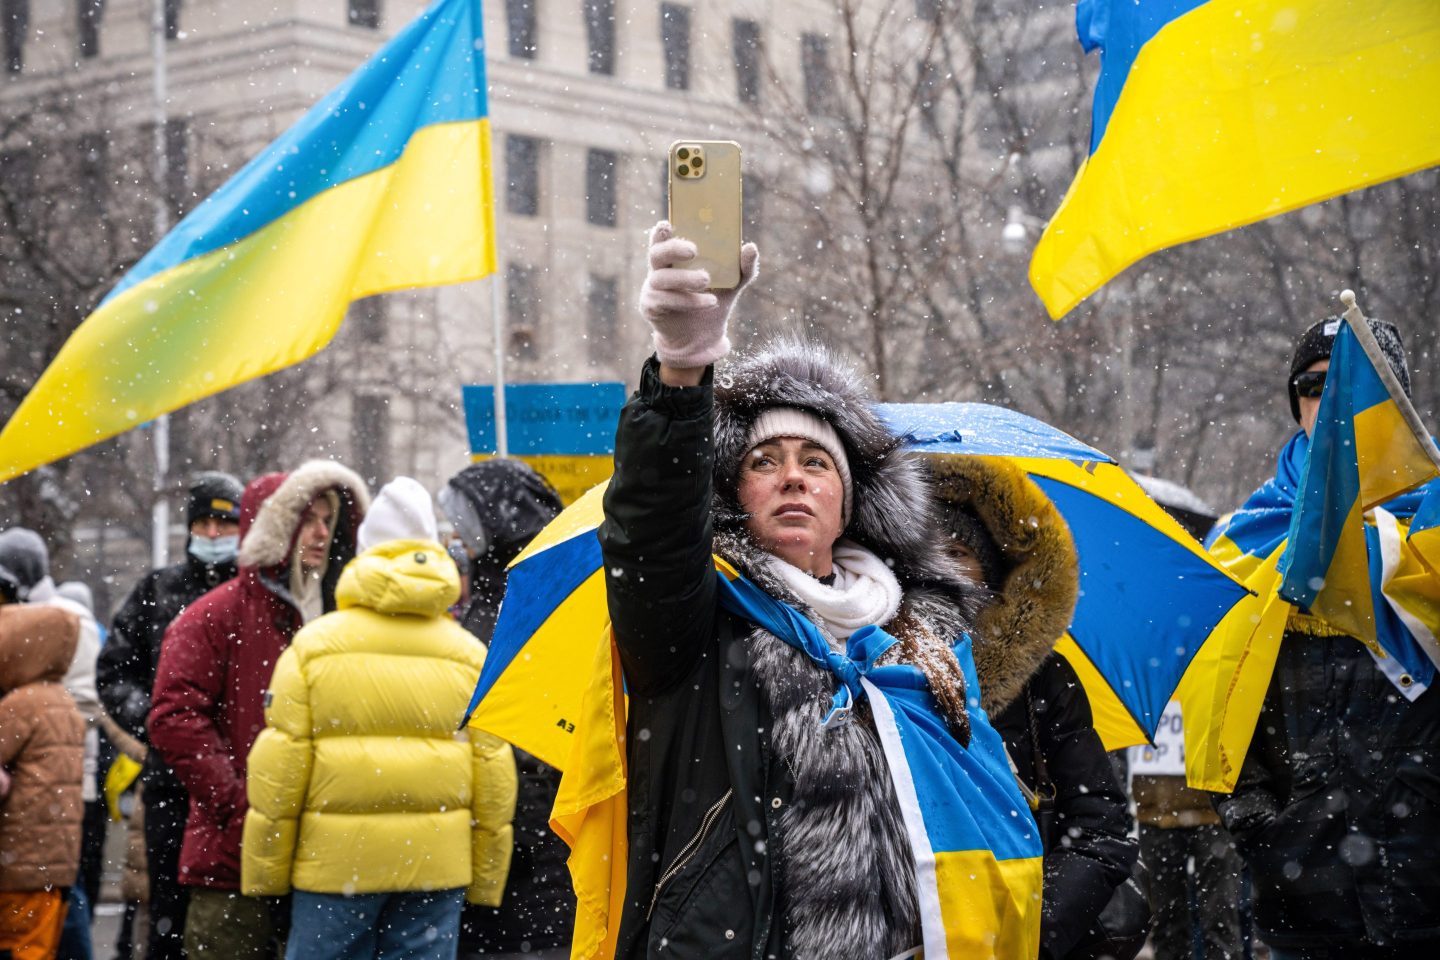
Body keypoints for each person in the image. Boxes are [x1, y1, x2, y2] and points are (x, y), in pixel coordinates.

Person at [597, 222, 1034, 958]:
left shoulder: (924, 640)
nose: (793, 475)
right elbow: (651, 531)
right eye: (765, 461)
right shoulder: (699, 621)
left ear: (850, 499)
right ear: (736, 492)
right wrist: (680, 375)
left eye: (815, 462)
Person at [1211, 316, 1440, 959]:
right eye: (1314, 385)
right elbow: (1210, 699)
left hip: (1424, 877)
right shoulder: (1244, 542)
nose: (1332, 401)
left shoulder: (1434, 525)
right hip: (1302, 888)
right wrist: (1258, 822)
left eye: (1355, 384)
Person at [242, 476, 517, 960]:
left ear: (364, 554)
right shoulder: (471, 656)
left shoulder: (313, 649)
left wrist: (266, 873)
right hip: (436, 868)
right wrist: (487, 877)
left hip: (333, 870)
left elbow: (278, 775)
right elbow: (494, 779)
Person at [150, 461, 368, 960]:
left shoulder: (342, 614)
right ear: (275, 526)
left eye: (328, 519)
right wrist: (239, 803)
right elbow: (174, 716)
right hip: (232, 861)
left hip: (323, 859)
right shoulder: (214, 616)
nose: (319, 532)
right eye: (306, 517)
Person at [930, 454, 1142, 960]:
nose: (941, 571)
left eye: (958, 552)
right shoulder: (855, 667)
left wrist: (1030, 934)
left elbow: (1100, 829)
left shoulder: (1042, 681)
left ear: (990, 570)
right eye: (925, 553)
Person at [98, 470, 245, 960]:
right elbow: (115, 671)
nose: (212, 535)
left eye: (224, 525)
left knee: (236, 914)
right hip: (170, 784)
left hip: (237, 784)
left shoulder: (255, 595)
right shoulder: (156, 590)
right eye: (203, 523)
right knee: (168, 913)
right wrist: (158, 721)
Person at [438, 460, 574, 958]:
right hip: (492, 848)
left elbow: (542, 740)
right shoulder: (490, 596)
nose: (456, 536)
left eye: (464, 522)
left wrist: (521, 830)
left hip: (532, 851)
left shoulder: (534, 604)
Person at [0, 528, 102, 960]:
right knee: (53, 914)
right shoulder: (54, 695)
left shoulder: (27, 698)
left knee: (33, 931)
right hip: (57, 821)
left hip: (24, 841)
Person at [0, 599, 85, 960]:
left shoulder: (23, 704)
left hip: (19, 859)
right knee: (39, 946)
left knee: (16, 943)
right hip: (54, 861)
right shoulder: (63, 702)